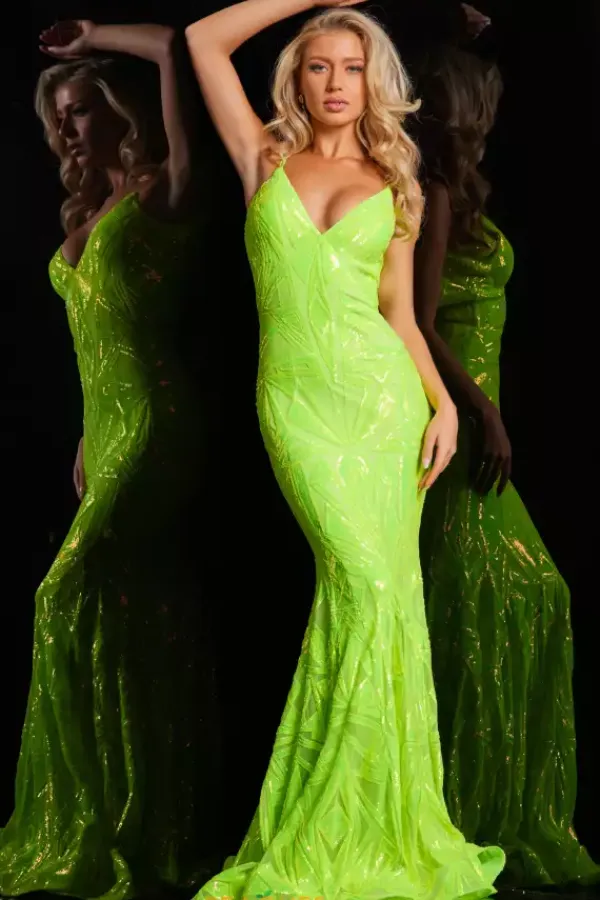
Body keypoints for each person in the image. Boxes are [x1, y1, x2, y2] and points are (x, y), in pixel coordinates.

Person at [185, 2, 505, 899]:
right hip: (298, 407)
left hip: (384, 405)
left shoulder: (396, 181)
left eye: (353, 67)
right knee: (364, 587)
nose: (335, 83)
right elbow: (203, 40)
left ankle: (366, 825)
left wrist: (442, 405)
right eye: (319, 65)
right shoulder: (261, 156)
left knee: (377, 597)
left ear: (374, 83)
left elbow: (398, 314)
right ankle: (326, 819)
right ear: (296, 77)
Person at [0, 20, 221, 900]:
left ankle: (131, 821)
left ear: (120, 113)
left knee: (65, 598)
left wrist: (93, 35)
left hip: (160, 426)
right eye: (56, 114)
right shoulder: (83, 213)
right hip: (109, 430)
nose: (66, 126)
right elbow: (95, 345)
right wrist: (89, 433)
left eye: (82, 108)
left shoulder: (164, 189)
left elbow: (173, 46)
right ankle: (141, 816)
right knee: (135, 617)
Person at [413, 46, 600, 889]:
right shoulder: (434, 192)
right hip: (453, 424)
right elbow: (417, 321)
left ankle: (483, 805)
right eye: (478, 100)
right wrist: (481, 412)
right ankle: (463, 809)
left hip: (476, 424)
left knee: (504, 599)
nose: (485, 115)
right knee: (495, 595)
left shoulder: (460, 190)